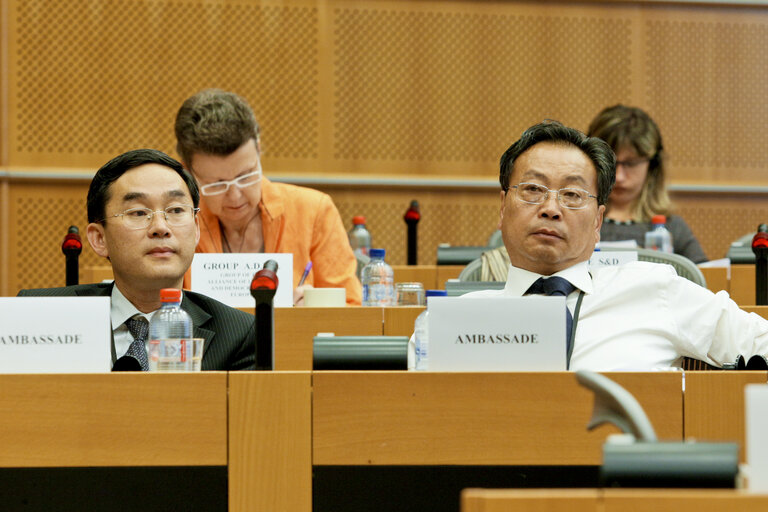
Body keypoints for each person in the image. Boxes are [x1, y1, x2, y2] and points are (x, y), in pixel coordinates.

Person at [466, 121, 768, 371]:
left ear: (598, 221)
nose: (551, 208)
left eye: (572, 194)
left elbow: (760, 342)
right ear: (503, 207)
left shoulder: (655, 289)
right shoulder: (459, 319)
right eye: (533, 189)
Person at [18, 149, 255, 371]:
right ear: (99, 238)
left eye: (175, 210)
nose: (160, 227)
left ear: (195, 229)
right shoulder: (36, 315)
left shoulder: (237, 335)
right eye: (138, 213)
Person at [174, 89, 361, 306]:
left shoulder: (314, 211)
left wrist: (316, 311)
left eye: (245, 176)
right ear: (188, 171)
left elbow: (352, 308)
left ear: (258, 150)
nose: (235, 195)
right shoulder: (179, 223)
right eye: (218, 184)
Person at [586, 105, 707, 263]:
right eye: (611, 162)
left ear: (652, 166)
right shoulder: (577, 219)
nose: (619, 176)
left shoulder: (671, 228)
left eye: (630, 163)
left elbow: (703, 279)